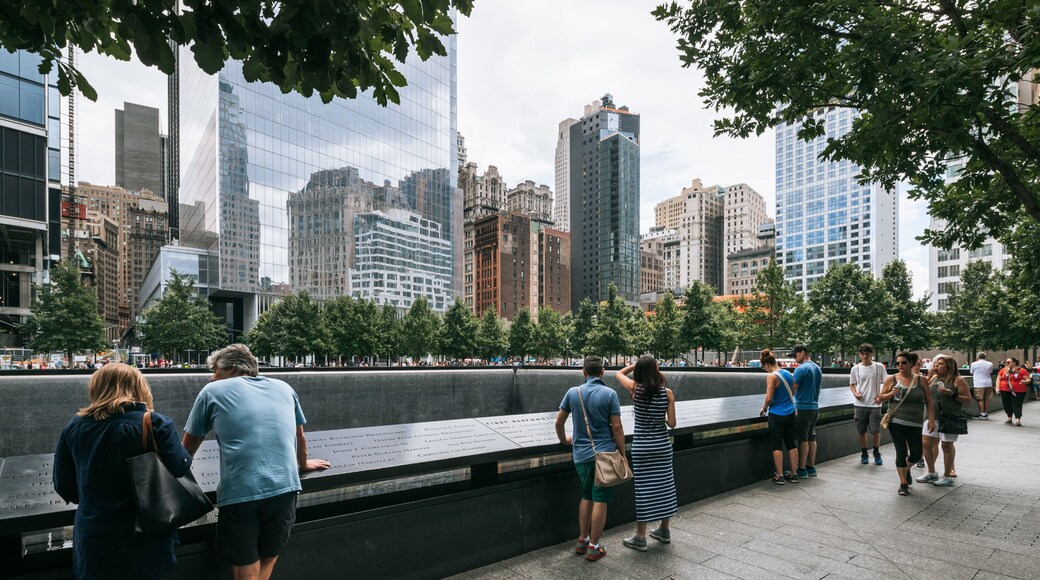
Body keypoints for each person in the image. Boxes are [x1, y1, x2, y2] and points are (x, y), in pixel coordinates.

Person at [182, 344, 330, 580]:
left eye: (215, 370)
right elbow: (299, 437)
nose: (212, 376)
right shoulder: (284, 387)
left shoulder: (212, 391)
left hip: (241, 491)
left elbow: (188, 448)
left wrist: (170, 475)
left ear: (231, 368)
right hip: (285, 488)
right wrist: (303, 465)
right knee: (267, 560)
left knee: (246, 570)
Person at [53, 363, 194, 579]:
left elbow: (64, 485)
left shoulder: (74, 427)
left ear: (97, 388)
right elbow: (179, 467)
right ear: (139, 387)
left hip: (94, 535)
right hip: (146, 534)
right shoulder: (155, 424)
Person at [555, 356, 626, 562]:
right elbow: (617, 427)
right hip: (604, 456)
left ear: (584, 372)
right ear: (602, 372)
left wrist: (565, 440)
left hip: (581, 455)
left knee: (586, 495)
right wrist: (622, 453)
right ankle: (594, 547)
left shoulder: (573, 392)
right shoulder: (610, 394)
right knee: (600, 499)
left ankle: (582, 541)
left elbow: (559, 423)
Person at [615, 356, 677, 552]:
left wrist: (635, 365)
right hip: (662, 447)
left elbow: (618, 374)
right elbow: (672, 423)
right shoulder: (667, 393)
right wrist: (660, 417)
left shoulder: (636, 389)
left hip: (642, 448)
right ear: (656, 370)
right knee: (665, 486)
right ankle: (664, 530)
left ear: (639, 372)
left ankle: (640, 537)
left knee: (643, 490)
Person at [878, 352, 934, 495]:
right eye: (898, 363)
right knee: (901, 451)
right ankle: (903, 483)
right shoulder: (891, 379)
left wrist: (931, 419)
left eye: (903, 362)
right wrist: (891, 394)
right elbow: (879, 398)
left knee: (916, 454)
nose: (900, 365)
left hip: (916, 422)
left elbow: (929, 401)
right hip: (896, 421)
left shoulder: (921, 380)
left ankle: (907, 468)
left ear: (911, 363)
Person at [917, 354, 971, 487]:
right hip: (932, 416)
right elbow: (922, 391)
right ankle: (931, 472)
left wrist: (952, 394)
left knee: (946, 446)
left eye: (940, 364)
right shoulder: (934, 378)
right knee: (926, 444)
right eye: (936, 364)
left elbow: (968, 399)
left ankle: (947, 475)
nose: (936, 366)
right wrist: (929, 376)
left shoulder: (958, 380)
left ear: (949, 367)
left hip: (949, 417)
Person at [759, 349, 799, 485]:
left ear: (767, 364)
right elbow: (793, 392)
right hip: (790, 413)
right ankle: (794, 474)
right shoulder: (788, 373)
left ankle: (780, 475)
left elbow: (769, 398)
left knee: (777, 444)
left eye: (763, 367)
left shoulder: (771, 376)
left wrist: (764, 408)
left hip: (776, 414)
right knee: (791, 443)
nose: (764, 370)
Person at [850, 343, 887, 466]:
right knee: (861, 431)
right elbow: (852, 384)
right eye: (863, 354)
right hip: (860, 404)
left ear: (872, 354)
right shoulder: (855, 368)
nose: (865, 356)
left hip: (875, 405)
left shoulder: (879, 367)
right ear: (859, 355)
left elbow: (886, 382)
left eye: (867, 353)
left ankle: (876, 452)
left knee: (875, 430)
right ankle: (864, 453)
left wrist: (881, 396)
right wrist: (855, 393)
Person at [791, 345, 822, 478]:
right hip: (814, 408)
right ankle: (811, 467)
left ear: (803, 353)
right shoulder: (817, 368)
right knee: (811, 438)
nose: (794, 358)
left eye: (795, 355)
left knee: (802, 439)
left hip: (802, 408)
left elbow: (792, 390)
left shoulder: (800, 369)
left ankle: (802, 469)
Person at [997, 357, 1030, 426]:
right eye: (1006, 362)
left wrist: (1025, 381)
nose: (1006, 363)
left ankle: (1018, 419)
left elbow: (1028, 379)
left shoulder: (1022, 370)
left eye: (1008, 362)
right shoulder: (1004, 370)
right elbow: (998, 379)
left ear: (1014, 363)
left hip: (1019, 391)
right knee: (1006, 404)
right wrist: (997, 388)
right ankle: (1009, 417)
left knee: (1016, 404)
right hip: (1005, 390)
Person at [970, 352, 994, 419]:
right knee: (987, 399)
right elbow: (990, 372)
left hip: (978, 384)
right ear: (985, 357)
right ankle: (985, 413)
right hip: (988, 383)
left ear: (977, 357)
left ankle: (982, 414)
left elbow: (971, 372)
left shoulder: (973, 364)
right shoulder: (990, 364)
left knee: (980, 399)